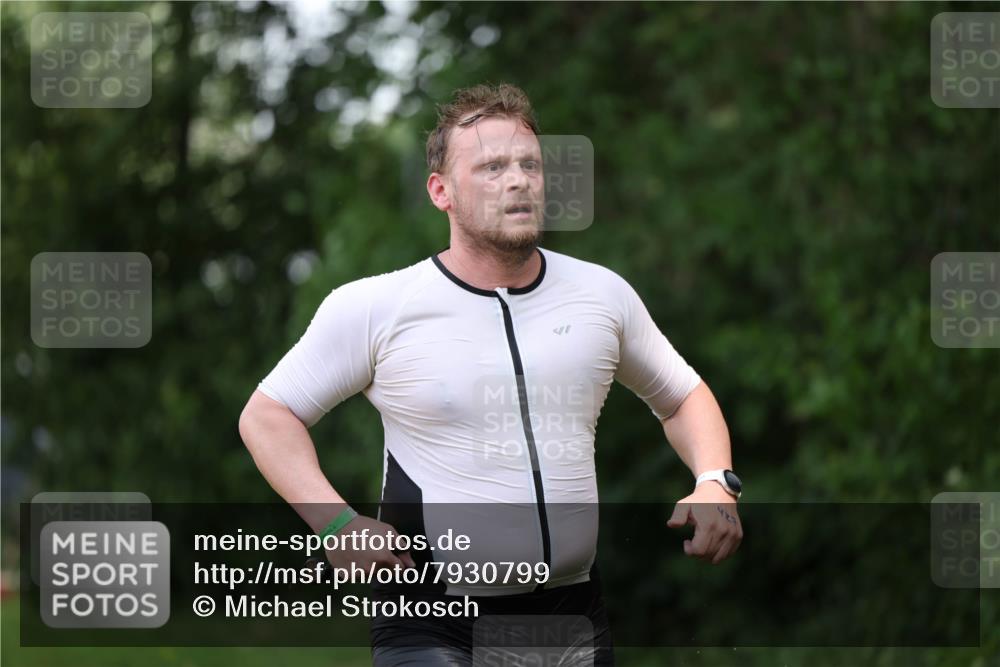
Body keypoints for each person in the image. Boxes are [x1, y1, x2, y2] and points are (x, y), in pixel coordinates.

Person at [239, 82, 743, 666]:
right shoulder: (377, 306)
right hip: (430, 621)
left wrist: (715, 481)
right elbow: (268, 416)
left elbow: (682, 398)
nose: (518, 179)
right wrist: (336, 525)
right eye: (492, 166)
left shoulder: (601, 295)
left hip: (571, 618)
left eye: (530, 164)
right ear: (441, 192)